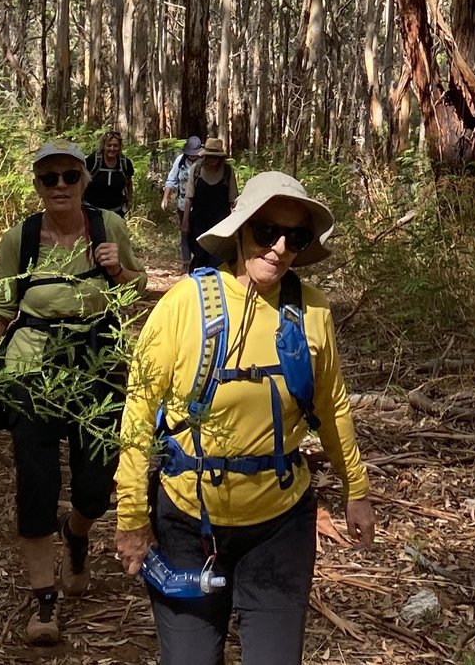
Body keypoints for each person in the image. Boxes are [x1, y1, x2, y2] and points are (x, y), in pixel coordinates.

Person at [114, 171, 376, 665]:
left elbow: (332, 405)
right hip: (187, 522)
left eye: (294, 237)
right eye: (266, 231)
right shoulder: (183, 306)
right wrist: (131, 517)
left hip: (280, 523)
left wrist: (356, 491)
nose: (278, 248)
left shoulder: (311, 310)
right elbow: (138, 414)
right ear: (240, 230)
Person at [0, 138, 147, 647]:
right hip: (30, 369)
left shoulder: (107, 226)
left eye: (68, 177)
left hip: (97, 365)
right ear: (36, 185)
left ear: (84, 181)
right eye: (48, 178)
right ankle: (44, 602)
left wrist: (118, 268)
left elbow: (137, 290)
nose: (59, 187)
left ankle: (77, 531)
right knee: (36, 481)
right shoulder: (21, 238)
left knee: (97, 483)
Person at [178, 137, 236, 272]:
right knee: (200, 255)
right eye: (209, 157)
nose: (211, 160)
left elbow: (232, 199)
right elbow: (189, 197)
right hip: (199, 221)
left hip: (221, 222)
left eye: (215, 158)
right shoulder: (196, 170)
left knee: (217, 258)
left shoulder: (227, 171)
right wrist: (185, 222)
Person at [87, 130, 136, 216]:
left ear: (120, 147)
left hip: (117, 212)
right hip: (93, 212)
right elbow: (81, 181)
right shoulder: (93, 160)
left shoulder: (125, 163)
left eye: (115, 146)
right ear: (104, 146)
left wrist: (129, 201)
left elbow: (129, 183)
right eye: (109, 145)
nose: (112, 149)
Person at [164, 136, 203, 212]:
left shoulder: (204, 161)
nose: (192, 155)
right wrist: (165, 198)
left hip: (201, 206)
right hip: (183, 205)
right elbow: (171, 180)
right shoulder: (180, 160)